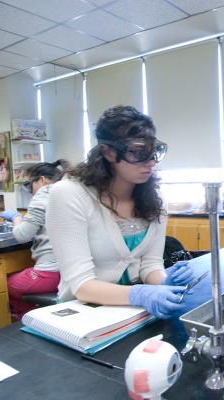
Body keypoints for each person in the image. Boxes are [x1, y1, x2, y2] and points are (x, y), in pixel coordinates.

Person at [46, 105, 200, 319]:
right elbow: (82, 285)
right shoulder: (69, 194)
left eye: (154, 151)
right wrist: (139, 293)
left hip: (134, 314)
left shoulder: (156, 200)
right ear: (108, 152)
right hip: (82, 315)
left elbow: (150, 264)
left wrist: (163, 280)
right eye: (138, 152)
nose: (152, 162)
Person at [0, 160, 70, 319]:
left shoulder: (44, 194)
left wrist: (17, 218)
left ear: (42, 180)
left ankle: (28, 319)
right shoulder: (69, 193)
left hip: (51, 273)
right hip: (71, 271)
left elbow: (22, 236)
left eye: (30, 183)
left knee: (6, 284)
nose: (30, 189)